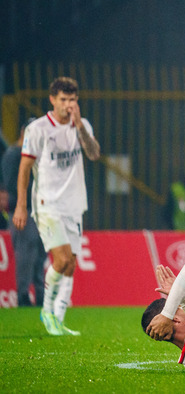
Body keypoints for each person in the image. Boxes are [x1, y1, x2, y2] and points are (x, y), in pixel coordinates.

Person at [13, 77, 100, 335]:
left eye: (72, 100)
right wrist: (20, 205)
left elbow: (94, 154)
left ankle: (58, 319)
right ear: (52, 100)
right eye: (63, 100)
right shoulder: (38, 129)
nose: (68, 105)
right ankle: (46, 310)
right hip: (47, 204)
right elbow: (24, 169)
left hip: (74, 204)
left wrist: (80, 127)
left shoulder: (82, 126)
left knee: (71, 264)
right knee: (61, 260)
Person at [2, 118, 47, 306]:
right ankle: (22, 296)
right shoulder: (13, 154)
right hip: (23, 212)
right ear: (24, 133)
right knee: (25, 256)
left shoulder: (37, 155)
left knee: (40, 256)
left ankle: (40, 296)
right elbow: (12, 184)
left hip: (40, 212)